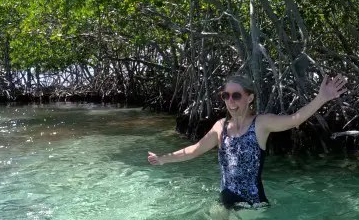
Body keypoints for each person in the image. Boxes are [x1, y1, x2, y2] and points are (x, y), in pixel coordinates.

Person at [148, 74, 348, 210]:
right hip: (226, 199)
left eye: (236, 95)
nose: (230, 101)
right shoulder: (220, 127)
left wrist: (322, 98)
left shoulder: (261, 124)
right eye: (226, 96)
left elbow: (295, 119)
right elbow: (195, 150)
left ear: (249, 97)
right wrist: (164, 159)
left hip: (251, 204)